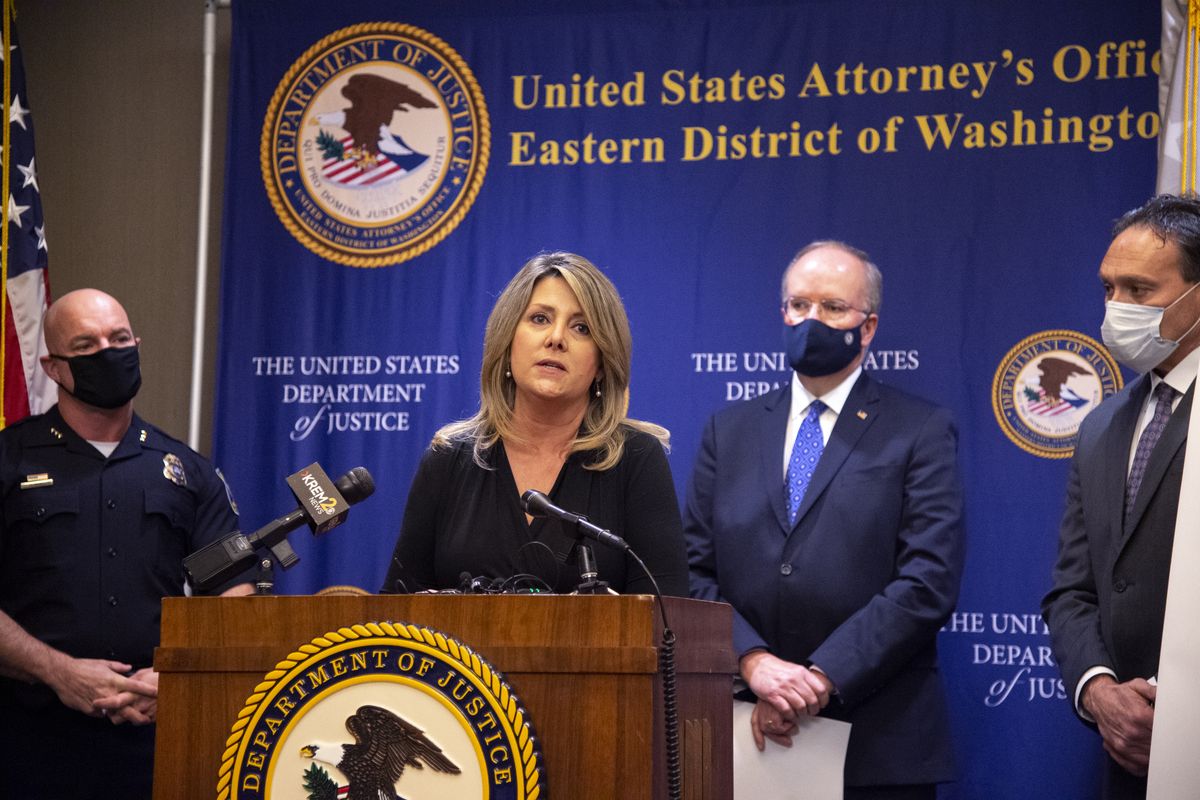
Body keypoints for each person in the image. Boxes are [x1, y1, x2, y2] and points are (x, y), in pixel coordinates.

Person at [684, 241, 965, 799]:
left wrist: (817, 678)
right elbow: (691, 570)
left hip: (878, 741)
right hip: (742, 729)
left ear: (868, 327)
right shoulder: (729, 430)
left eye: (833, 308)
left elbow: (927, 581)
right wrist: (754, 662)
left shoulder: (920, 430)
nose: (813, 321)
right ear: (782, 312)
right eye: (800, 305)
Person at [0, 289, 253, 800]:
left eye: (119, 339)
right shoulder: (10, 460)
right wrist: (58, 672)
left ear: (136, 342)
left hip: (157, 741)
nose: (108, 353)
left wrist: (173, 676)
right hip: (25, 741)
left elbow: (235, 594)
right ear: (53, 367)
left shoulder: (188, 472)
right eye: (87, 346)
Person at [383, 252, 689, 597]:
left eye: (581, 328)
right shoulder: (448, 459)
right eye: (540, 318)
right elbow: (398, 611)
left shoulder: (635, 458)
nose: (557, 338)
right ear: (508, 340)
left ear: (602, 363)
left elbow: (667, 617)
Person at [1042, 194, 1200, 799]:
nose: (1117, 309)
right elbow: (1074, 589)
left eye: (1139, 290)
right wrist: (1101, 693)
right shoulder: (1101, 424)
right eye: (1109, 288)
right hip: (1125, 759)